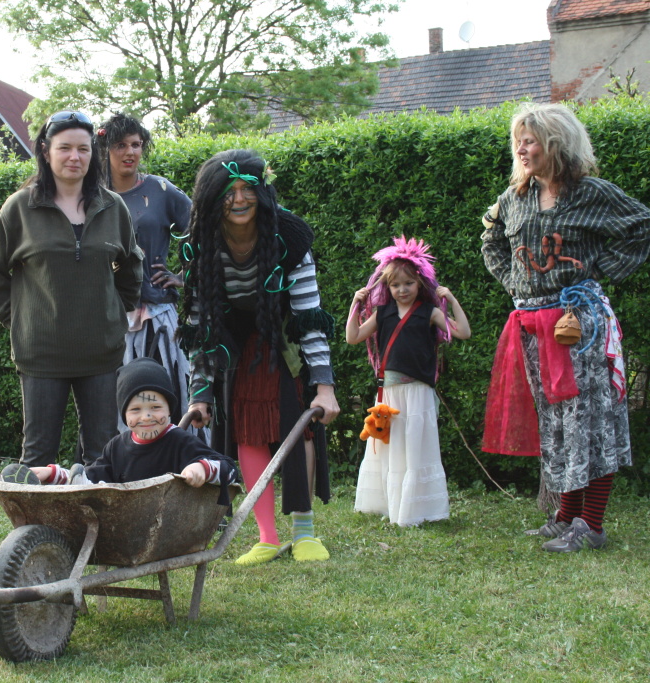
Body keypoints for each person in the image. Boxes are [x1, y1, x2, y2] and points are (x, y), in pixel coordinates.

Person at [481, 102, 650, 552]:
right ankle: (565, 517)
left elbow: (641, 226)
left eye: (530, 140)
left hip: (580, 328)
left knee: (590, 422)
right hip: (534, 328)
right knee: (558, 424)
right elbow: (491, 239)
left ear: (555, 144)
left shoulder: (590, 193)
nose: (521, 148)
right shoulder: (515, 197)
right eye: (518, 141)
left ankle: (591, 526)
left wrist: (598, 272)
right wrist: (515, 281)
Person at [178, 149, 340, 566]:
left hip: (283, 338)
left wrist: (324, 387)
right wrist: (200, 393)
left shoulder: (290, 237)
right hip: (236, 346)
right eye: (228, 191)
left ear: (262, 192)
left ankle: (304, 531)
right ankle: (267, 537)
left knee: (298, 428)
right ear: (212, 197)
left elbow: (309, 317)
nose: (238, 199)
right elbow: (201, 326)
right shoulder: (201, 243)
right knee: (247, 432)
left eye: (247, 188)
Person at [0, 111, 143, 467]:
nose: (74, 157)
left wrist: (114, 313)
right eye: (64, 148)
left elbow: (131, 266)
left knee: (102, 454)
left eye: (83, 149)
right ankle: (35, 509)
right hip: (42, 353)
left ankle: (95, 508)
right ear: (45, 150)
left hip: (101, 352)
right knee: (37, 456)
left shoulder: (112, 207)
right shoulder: (20, 208)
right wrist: (21, 320)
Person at [345, 237, 471, 527]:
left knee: (415, 447)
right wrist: (355, 304)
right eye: (395, 285)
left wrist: (451, 300)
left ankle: (415, 509)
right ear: (387, 287)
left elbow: (463, 332)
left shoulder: (430, 312)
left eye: (408, 283)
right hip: (389, 393)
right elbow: (353, 337)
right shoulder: (382, 313)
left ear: (420, 283)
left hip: (418, 391)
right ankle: (390, 505)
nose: (402, 290)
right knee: (390, 447)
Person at [1, 358, 237, 496]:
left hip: (171, 522)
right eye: (135, 410)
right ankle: (50, 477)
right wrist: (53, 474)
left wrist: (202, 468)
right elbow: (92, 480)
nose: (146, 416)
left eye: (155, 407)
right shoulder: (117, 447)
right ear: (124, 414)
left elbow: (230, 469)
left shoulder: (180, 441)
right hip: (131, 522)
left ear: (170, 409)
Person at [95, 113, 196, 425]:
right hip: (104, 320)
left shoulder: (160, 190)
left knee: (162, 400)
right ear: (105, 149)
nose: (130, 152)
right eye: (121, 145)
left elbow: (205, 230)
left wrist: (184, 277)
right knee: (108, 406)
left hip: (156, 318)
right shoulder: (91, 196)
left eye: (136, 145)